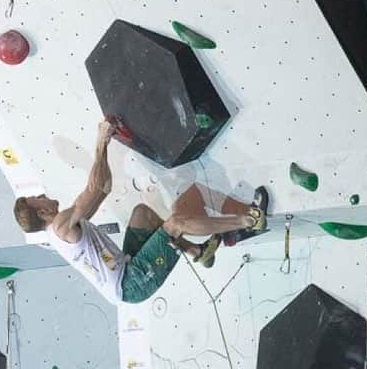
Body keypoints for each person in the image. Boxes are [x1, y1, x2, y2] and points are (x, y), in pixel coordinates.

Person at [13, 118, 268, 305]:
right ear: (42, 212)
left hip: (127, 266)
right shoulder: (59, 226)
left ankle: (197, 251)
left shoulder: (62, 229)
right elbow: (92, 188)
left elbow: (103, 188)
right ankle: (250, 220)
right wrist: (101, 142)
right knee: (176, 223)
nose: (41, 195)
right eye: (36, 199)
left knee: (141, 214)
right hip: (132, 283)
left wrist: (110, 147)